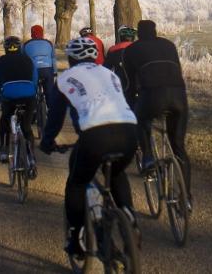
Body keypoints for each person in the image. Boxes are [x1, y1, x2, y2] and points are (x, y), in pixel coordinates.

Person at [39, 37, 138, 258]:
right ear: (95, 56)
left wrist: (47, 142)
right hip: (129, 132)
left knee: (76, 183)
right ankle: (128, 215)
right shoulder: (109, 74)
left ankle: (77, 239)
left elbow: (55, 116)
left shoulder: (65, 78)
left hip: (94, 135)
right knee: (117, 172)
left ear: (71, 59)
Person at [123, 20, 192, 207]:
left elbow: (129, 85)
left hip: (152, 95)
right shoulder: (169, 45)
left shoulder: (131, 50)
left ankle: (147, 157)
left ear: (139, 34)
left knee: (140, 119)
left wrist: (130, 105)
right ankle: (186, 198)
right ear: (155, 31)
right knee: (178, 147)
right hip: (179, 95)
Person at [0, 36, 38, 172]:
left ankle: (4, 149)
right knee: (27, 127)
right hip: (29, 96)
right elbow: (35, 80)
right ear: (20, 48)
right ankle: (31, 158)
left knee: (5, 118)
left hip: (9, 96)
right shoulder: (29, 60)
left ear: (5, 48)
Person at [23, 24, 56, 108]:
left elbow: (23, 60)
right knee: (49, 92)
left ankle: (32, 111)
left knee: (31, 92)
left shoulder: (26, 44)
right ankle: (51, 110)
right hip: (47, 70)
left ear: (32, 34)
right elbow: (53, 59)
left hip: (33, 71)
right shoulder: (49, 43)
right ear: (42, 33)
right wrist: (54, 72)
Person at [104, 25, 137, 105]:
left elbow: (106, 69)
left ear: (120, 37)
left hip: (121, 84)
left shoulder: (113, 49)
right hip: (137, 84)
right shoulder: (138, 47)